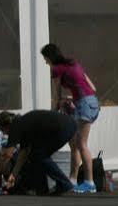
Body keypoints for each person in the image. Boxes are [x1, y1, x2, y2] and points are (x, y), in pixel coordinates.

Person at [41, 43, 100, 194]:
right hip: (91, 102)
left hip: (84, 105)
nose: (45, 62)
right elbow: (92, 88)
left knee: (81, 144)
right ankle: (73, 179)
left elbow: (56, 96)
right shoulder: (73, 63)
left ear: (49, 57)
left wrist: (52, 114)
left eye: (45, 59)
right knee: (74, 144)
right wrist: (74, 96)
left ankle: (89, 182)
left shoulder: (56, 69)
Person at [0, 110, 77, 196]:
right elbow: (24, 153)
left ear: (6, 125)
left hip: (63, 127)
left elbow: (6, 155)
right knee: (35, 154)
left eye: (2, 130)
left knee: (40, 155)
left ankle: (64, 184)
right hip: (68, 124)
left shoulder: (15, 126)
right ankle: (42, 189)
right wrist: (14, 174)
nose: (4, 133)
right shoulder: (22, 124)